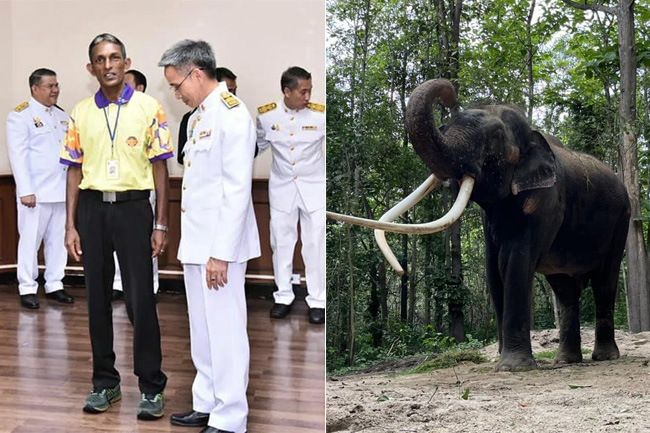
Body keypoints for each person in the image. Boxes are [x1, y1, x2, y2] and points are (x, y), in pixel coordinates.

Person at [59, 33, 170, 420]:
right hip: (92, 210)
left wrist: (161, 222)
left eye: (115, 58)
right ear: (91, 68)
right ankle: (105, 383)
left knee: (141, 301)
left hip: (134, 210)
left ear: (126, 62)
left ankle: (151, 387)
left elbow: (160, 167)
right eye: (100, 60)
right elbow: (73, 170)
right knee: (97, 301)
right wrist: (71, 225)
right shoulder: (79, 112)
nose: (108, 65)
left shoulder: (149, 107)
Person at [159, 40, 259, 433]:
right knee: (201, 329)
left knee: (226, 330)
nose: (176, 93)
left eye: (176, 85)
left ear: (195, 73)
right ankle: (207, 401)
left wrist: (220, 253)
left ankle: (231, 415)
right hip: (198, 244)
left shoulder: (232, 114)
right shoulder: (202, 115)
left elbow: (237, 189)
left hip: (221, 248)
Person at [256, 66, 325, 324]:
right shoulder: (266, 115)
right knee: (281, 243)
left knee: (315, 244)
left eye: (310, 91)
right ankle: (283, 296)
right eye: (302, 91)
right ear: (287, 91)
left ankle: (318, 300)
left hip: (314, 188)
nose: (307, 97)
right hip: (283, 187)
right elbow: (258, 145)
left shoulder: (320, 116)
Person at [6, 68, 75, 309]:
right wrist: (25, 190)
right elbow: (18, 155)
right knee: (30, 242)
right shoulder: (20, 115)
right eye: (50, 86)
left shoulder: (61, 115)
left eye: (57, 85)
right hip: (34, 193)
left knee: (58, 241)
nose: (55, 90)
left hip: (60, 192)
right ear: (35, 88)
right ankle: (27, 286)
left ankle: (54, 283)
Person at [111, 68, 160, 302]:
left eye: (127, 85)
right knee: (116, 242)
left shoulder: (150, 112)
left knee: (145, 244)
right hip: (116, 191)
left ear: (139, 88)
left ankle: (150, 286)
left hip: (142, 191)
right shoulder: (112, 114)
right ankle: (120, 284)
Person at [176, 67, 237, 165]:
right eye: (228, 90)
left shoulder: (236, 115)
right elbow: (182, 156)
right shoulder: (190, 118)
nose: (232, 95)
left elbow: (252, 150)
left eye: (234, 91)